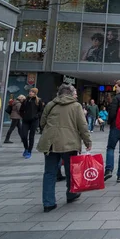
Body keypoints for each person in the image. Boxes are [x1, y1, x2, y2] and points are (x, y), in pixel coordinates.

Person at [37, 84, 91, 212]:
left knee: (49, 172)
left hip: (50, 143)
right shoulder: (76, 106)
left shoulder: (51, 104)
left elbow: (42, 122)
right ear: (70, 94)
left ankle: (48, 202)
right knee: (71, 170)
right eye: (76, 93)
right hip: (69, 142)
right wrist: (87, 141)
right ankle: (71, 193)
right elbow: (82, 126)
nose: (76, 95)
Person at [105, 80, 120, 183]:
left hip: (116, 127)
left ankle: (109, 169)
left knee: (110, 148)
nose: (115, 88)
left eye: (116, 86)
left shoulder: (117, 98)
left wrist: (109, 122)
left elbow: (112, 113)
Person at [20, 87, 45, 158]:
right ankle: (26, 148)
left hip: (34, 121)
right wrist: (23, 116)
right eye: (30, 91)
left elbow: (41, 110)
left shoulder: (38, 101)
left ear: (35, 93)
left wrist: (36, 116)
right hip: (25, 121)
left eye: (33, 92)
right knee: (24, 136)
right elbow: (21, 110)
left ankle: (29, 151)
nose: (31, 93)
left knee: (31, 136)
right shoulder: (25, 100)